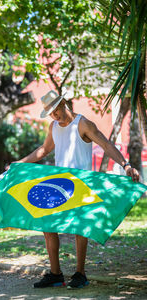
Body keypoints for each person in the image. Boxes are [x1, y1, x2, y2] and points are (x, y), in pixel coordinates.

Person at [9, 90, 139, 289]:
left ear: (64, 104)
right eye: (50, 112)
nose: (54, 115)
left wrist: (126, 164)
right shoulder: (53, 126)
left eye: (56, 109)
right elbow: (43, 150)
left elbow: (105, 144)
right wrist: (20, 163)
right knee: (47, 224)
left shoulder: (83, 124)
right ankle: (55, 274)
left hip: (81, 184)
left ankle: (80, 274)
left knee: (80, 228)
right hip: (60, 184)